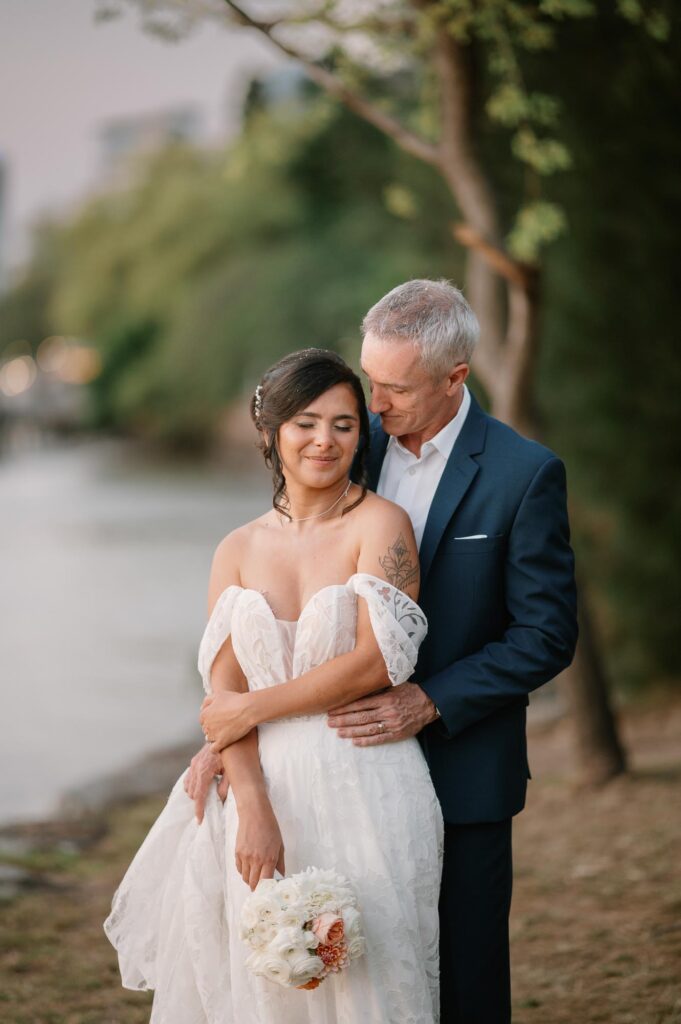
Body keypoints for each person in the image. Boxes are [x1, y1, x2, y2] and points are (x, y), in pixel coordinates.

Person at [199, 280, 578, 1023]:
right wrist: (225, 735)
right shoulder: (347, 442)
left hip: (463, 761)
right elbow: (268, 607)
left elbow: (545, 634)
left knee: (459, 978)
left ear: (454, 379)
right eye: (369, 381)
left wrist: (432, 698)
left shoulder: (522, 473)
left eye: (393, 388)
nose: (372, 405)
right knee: (337, 978)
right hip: (329, 770)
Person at [104, 349, 444, 1024]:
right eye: (306, 422)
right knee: (268, 984)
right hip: (263, 781)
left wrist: (250, 709)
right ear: (270, 433)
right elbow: (220, 686)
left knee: (371, 978)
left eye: (344, 425)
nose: (325, 440)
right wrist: (253, 807)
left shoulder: (380, 526)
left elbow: (375, 665)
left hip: (366, 776)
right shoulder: (235, 548)